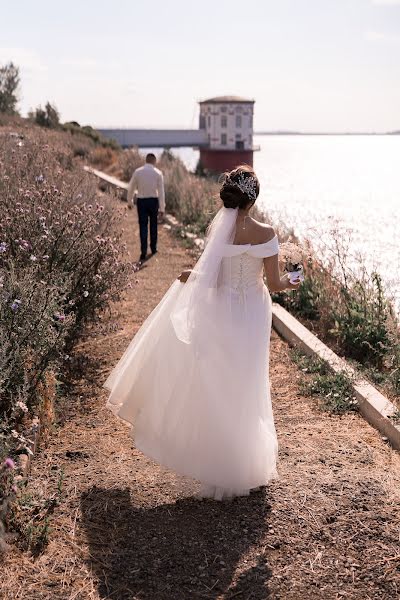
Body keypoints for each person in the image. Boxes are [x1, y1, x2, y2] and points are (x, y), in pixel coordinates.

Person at [104, 165, 301, 501]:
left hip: (221, 311)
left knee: (219, 382)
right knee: (247, 381)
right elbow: (276, 284)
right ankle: (244, 464)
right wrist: (296, 276)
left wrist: (190, 276)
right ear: (253, 198)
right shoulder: (267, 234)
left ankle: (219, 462)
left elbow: (212, 278)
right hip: (253, 311)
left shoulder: (220, 233)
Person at [127, 153, 165, 262]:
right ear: (154, 161)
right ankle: (153, 249)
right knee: (153, 225)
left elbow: (131, 188)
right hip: (153, 201)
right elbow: (161, 192)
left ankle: (143, 251)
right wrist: (162, 208)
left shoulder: (138, 172)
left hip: (142, 201)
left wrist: (130, 202)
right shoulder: (158, 173)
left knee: (143, 226)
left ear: (146, 160)